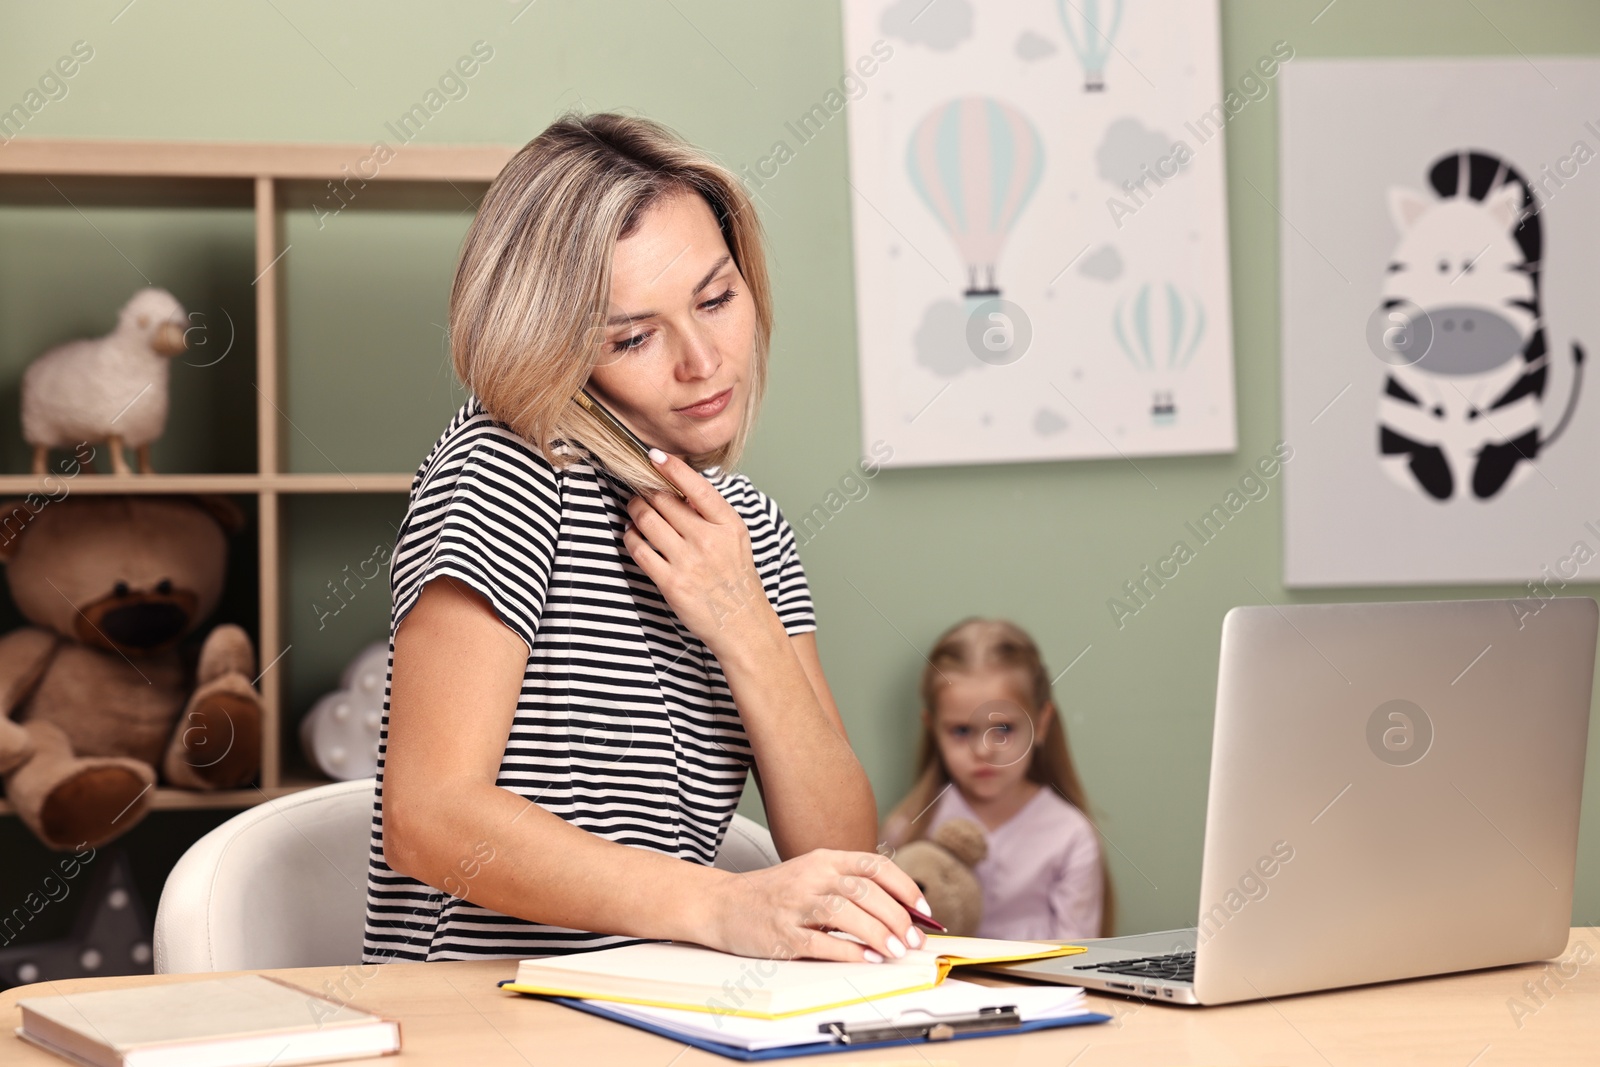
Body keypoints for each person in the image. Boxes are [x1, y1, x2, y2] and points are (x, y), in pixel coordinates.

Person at [361, 111, 927, 965]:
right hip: (485, 1014)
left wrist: (742, 619)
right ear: (549, 344)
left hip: (663, 1012)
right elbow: (428, 817)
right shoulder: (505, 471)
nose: (702, 361)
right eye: (631, 336)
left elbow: (837, 850)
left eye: (716, 298)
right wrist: (727, 905)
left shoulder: (748, 531)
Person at [881, 618, 1114, 940]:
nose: (983, 750)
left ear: (1041, 724)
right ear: (933, 730)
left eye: (1003, 729)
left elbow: (1078, 954)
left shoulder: (1071, 836)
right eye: (961, 731)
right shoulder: (908, 828)